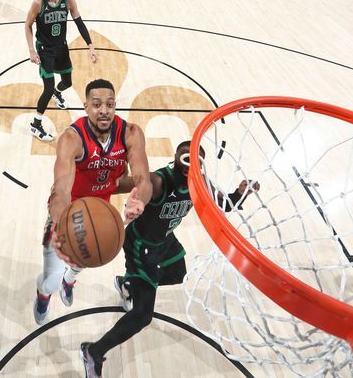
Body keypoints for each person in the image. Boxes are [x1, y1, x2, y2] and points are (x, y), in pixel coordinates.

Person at [79, 142, 260, 377]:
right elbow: (142, 186)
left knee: (177, 274)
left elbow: (224, 204)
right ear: (175, 159)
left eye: (193, 160)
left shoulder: (200, 182)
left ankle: (127, 285)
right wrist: (137, 202)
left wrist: (240, 191)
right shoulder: (159, 181)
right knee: (143, 316)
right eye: (183, 159)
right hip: (140, 245)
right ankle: (93, 352)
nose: (188, 165)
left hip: (164, 240)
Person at [33, 79, 152, 325]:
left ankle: (70, 281)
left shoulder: (130, 133)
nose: (104, 110)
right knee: (51, 279)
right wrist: (59, 224)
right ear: (86, 106)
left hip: (100, 211)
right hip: (70, 213)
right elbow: (61, 190)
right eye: (96, 104)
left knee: (87, 256)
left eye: (109, 104)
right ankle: (44, 293)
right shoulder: (71, 139)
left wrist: (139, 199)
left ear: (115, 106)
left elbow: (143, 178)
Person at [25, 0, 97, 141]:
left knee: (67, 82)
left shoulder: (68, 0)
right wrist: (31, 50)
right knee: (47, 87)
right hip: (45, 49)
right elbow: (27, 26)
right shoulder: (38, 3)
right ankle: (36, 125)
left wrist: (90, 46)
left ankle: (57, 93)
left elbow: (79, 23)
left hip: (61, 47)